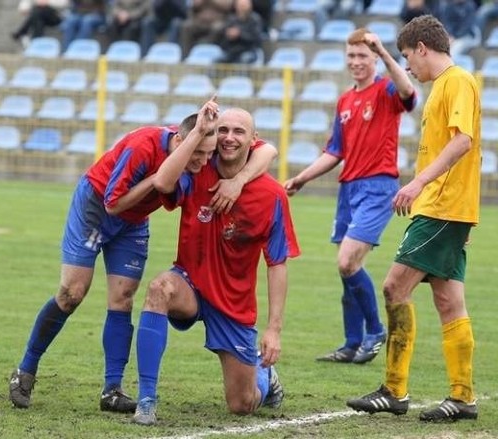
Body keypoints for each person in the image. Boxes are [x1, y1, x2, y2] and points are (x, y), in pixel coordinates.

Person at [8, 103, 278, 410]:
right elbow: (114, 203)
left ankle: (112, 390)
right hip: (97, 208)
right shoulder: (143, 146)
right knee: (72, 292)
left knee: (123, 298)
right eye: (198, 155)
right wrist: (152, 180)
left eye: (208, 154)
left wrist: (239, 179)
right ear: (181, 140)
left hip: (134, 222)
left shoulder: (206, 145)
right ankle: (25, 369)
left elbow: (267, 150)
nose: (205, 162)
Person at [347, 14, 481, 422]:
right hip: (449, 209)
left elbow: (463, 140)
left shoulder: (456, 81)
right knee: (448, 300)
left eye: (408, 56)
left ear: (423, 48)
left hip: (440, 207)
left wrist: (417, 183)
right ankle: (463, 398)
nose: (407, 66)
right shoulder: (444, 86)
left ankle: (394, 390)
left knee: (393, 287)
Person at [132, 105, 300, 426]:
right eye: (223, 130)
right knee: (159, 289)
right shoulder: (197, 169)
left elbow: (277, 263)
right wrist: (198, 131)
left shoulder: (273, 195)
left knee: (241, 405)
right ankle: (146, 400)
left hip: (233, 303)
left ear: (254, 141)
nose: (229, 138)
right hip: (190, 284)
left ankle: (264, 376)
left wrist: (274, 329)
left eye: (239, 132)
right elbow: (164, 184)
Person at [285, 28, 416, 365]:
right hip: (349, 189)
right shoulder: (345, 100)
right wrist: (301, 178)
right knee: (347, 268)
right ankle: (351, 342)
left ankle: (374, 332)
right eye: (352, 56)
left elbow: (408, 91)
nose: (357, 61)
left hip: (378, 186)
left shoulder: (386, 88)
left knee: (347, 262)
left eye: (363, 55)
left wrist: (385, 52)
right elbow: (334, 152)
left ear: (374, 58)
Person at [215, 0, 263, 65]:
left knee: (244, 59)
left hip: (248, 50)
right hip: (232, 51)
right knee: (217, 61)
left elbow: (256, 38)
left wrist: (239, 34)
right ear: (236, 6)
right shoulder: (231, 19)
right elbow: (223, 35)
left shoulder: (255, 19)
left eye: (244, 5)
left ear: (250, 6)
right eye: (240, 5)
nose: (242, 7)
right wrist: (229, 34)